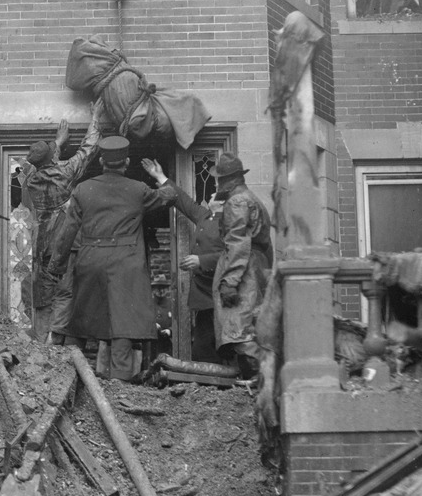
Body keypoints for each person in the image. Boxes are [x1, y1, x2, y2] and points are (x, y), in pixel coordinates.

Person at [48, 136, 177, 382]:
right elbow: (168, 196)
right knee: (123, 323)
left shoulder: (83, 189)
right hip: (126, 263)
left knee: (80, 320)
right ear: (126, 162)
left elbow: (67, 232)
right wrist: (161, 178)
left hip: (90, 260)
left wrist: (57, 266)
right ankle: (120, 386)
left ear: (101, 161)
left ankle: (65, 380)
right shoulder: (138, 190)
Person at [21, 108, 102, 346]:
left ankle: (40, 342)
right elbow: (88, 149)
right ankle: (54, 342)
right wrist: (95, 116)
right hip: (65, 241)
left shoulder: (30, 180)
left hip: (42, 242)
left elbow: (38, 164)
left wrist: (56, 143)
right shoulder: (65, 172)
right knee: (65, 291)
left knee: (44, 295)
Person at [141, 158, 225, 363]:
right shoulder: (206, 216)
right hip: (205, 293)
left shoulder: (230, 221)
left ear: (222, 202)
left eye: (214, 194)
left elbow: (235, 253)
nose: (211, 195)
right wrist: (160, 177)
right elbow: (184, 202)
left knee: (215, 345)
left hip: (222, 291)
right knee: (204, 346)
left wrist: (201, 261)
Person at [210, 152, 272, 379]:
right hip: (255, 269)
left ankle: (257, 384)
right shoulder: (251, 198)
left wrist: (230, 281)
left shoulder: (237, 201)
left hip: (244, 272)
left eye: (221, 179)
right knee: (250, 329)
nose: (219, 183)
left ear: (231, 179)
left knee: (241, 332)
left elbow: (237, 243)